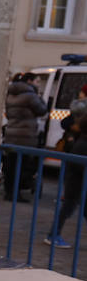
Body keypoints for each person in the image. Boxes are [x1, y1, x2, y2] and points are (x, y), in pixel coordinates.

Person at [48, 83, 87, 247]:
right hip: (80, 155)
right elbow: (68, 123)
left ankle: (54, 234)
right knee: (72, 200)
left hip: (79, 152)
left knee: (78, 200)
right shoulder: (80, 108)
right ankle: (53, 234)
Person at [2, 72, 46, 201]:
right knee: (21, 167)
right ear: (29, 81)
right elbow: (42, 110)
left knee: (11, 166)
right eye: (37, 81)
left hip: (11, 135)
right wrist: (40, 97)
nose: (38, 84)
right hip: (25, 137)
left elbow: (9, 114)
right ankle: (16, 193)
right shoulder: (31, 96)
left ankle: (9, 192)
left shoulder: (10, 94)